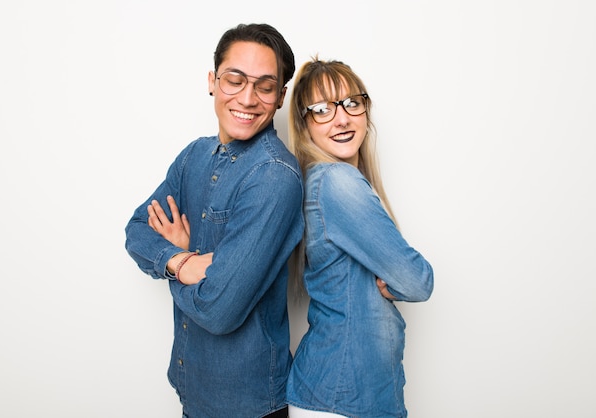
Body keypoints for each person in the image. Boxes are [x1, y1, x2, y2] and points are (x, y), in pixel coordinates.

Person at [124, 23, 303, 418]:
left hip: (247, 405)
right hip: (193, 390)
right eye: (234, 80)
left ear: (280, 98)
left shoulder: (274, 176)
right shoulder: (193, 157)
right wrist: (183, 262)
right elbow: (136, 230)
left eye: (265, 86)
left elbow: (219, 310)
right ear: (212, 81)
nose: (247, 98)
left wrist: (170, 261)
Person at [285, 57, 434, 418]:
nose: (342, 118)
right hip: (340, 397)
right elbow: (418, 281)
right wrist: (395, 282)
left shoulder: (326, 182)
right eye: (322, 109)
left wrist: (393, 281)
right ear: (305, 125)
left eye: (352, 102)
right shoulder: (337, 182)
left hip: (350, 394)